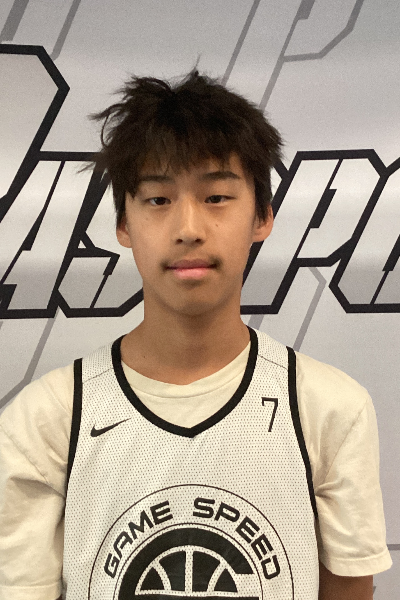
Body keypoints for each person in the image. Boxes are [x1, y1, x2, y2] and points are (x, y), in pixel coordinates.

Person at [0, 65, 392, 600]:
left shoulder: (331, 408)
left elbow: (349, 587)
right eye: (158, 199)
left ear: (262, 217)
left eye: (216, 197)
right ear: (123, 224)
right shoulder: (45, 420)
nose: (188, 229)